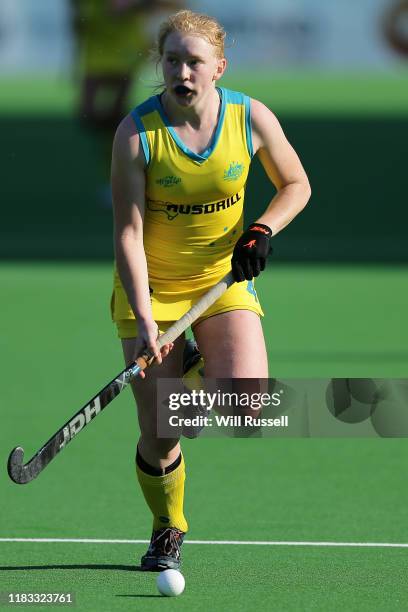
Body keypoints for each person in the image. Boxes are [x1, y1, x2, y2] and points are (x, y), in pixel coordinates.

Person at [110, 9, 311, 571]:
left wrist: (261, 228)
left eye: (194, 61)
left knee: (248, 407)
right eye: (172, 60)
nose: (183, 72)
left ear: (219, 67)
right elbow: (127, 232)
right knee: (165, 430)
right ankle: (167, 527)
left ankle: (194, 367)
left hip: (220, 281)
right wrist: (147, 320)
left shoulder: (250, 117)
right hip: (151, 289)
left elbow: (296, 184)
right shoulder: (137, 133)